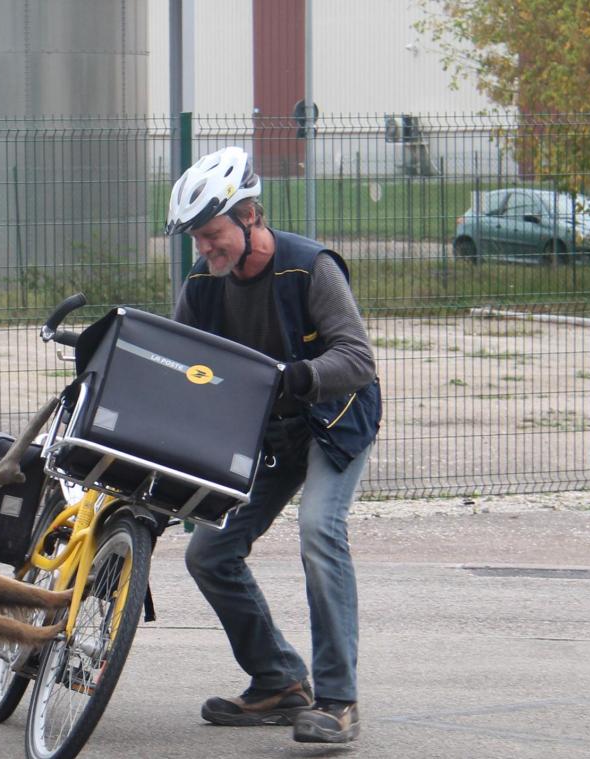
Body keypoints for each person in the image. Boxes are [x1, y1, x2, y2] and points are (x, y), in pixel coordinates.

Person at [164, 146, 381, 744]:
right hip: (268, 433)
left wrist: (300, 375)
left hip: (333, 421)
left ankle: (337, 702)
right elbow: (181, 366)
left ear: (250, 216)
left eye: (212, 234)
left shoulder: (309, 267)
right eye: (196, 239)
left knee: (319, 533)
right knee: (209, 554)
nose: (205, 249)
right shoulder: (203, 287)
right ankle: (280, 680)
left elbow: (358, 358)